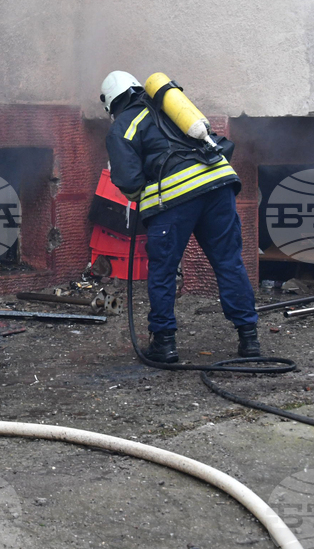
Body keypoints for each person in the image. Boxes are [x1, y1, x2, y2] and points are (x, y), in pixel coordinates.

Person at [100, 70, 259, 363]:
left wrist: (141, 200)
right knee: (228, 261)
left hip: (176, 199)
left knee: (162, 270)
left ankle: (164, 344)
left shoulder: (122, 126)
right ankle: (249, 339)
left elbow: (129, 182)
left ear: (110, 103)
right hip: (219, 182)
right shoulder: (170, 109)